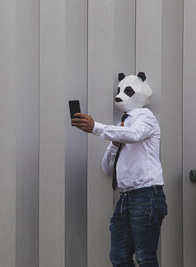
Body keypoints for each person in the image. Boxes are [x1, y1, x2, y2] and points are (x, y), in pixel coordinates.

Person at [71, 72, 168, 267]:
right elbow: (107, 168)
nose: (120, 95)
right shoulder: (122, 125)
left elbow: (135, 134)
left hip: (146, 195)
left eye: (128, 91)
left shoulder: (145, 117)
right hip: (126, 199)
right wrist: (115, 145)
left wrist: (96, 127)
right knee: (119, 258)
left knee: (145, 258)